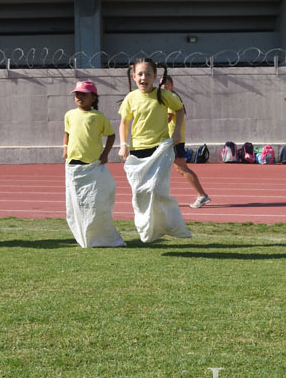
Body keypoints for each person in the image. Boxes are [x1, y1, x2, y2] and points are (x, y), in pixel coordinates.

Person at [118, 58, 191, 243]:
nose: (144, 77)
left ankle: (169, 226)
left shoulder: (163, 95)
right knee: (139, 192)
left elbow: (180, 109)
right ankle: (147, 229)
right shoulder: (131, 98)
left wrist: (176, 133)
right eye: (140, 74)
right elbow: (124, 122)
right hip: (137, 151)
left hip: (159, 150)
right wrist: (123, 144)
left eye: (148, 74)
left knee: (155, 190)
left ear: (155, 77)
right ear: (134, 76)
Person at [63, 80, 124, 247]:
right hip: (74, 165)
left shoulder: (99, 117)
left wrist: (105, 154)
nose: (79, 97)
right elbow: (67, 132)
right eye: (77, 94)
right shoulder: (69, 115)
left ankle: (98, 233)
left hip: (93, 165)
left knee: (96, 200)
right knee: (76, 202)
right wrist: (65, 148)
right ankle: (84, 235)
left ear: (93, 97)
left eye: (83, 94)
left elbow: (111, 135)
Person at [160, 75, 210, 208]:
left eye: (167, 83)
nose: (164, 86)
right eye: (161, 84)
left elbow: (167, 119)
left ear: (172, 85)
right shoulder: (170, 98)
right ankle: (161, 197)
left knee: (181, 169)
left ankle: (202, 195)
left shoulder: (171, 99)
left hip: (174, 140)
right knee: (167, 168)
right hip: (172, 140)